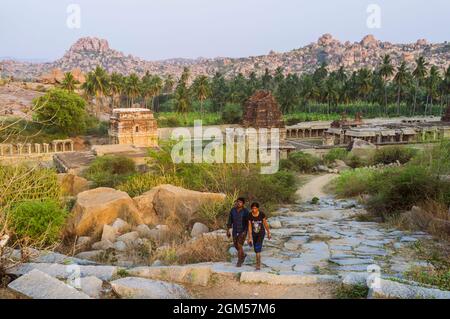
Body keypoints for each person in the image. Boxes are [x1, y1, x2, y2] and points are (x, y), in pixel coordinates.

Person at [247, 202, 271, 270]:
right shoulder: (250, 215)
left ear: (258, 208)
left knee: (258, 248)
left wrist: (269, 232)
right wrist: (250, 237)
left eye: (255, 208)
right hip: (254, 234)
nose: (254, 210)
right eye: (252, 208)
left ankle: (258, 264)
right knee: (255, 249)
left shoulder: (261, 214)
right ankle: (258, 262)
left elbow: (265, 224)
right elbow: (249, 226)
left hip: (261, 233)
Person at [226, 197, 250, 267]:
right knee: (236, 245)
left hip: (243, 231)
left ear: (243, 204)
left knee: (239, 245)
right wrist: (228, 230)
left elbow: (248, 222)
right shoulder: (232, 210)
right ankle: (243, 255)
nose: (238, 203)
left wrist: (246, 231)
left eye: (240, 202)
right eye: (237, 202)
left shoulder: (246, 211)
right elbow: (230, 221)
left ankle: (239, 261)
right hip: (235, 230)